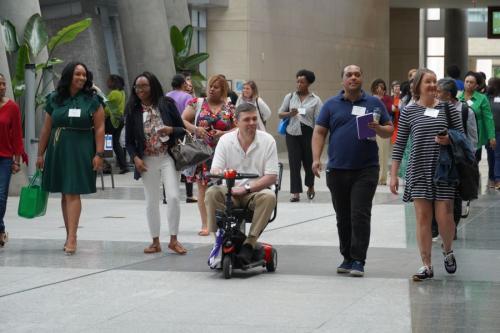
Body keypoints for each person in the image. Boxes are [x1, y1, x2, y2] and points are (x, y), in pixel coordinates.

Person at [312, 65, 393, 277]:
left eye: (357, 74)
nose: (353, 78)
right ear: (343, 80)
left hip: (366, 169)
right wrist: (315, 158)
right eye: (349, 75)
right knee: (343, 216)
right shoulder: (331, 105)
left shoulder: (374, 103)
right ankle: (346, 257)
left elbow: (389, 129)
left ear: (362, 79)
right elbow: (319, 132)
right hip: (337, 169)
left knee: (360, 214)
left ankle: (358, 260)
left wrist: (378, 128)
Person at [391, 68, 461, 281]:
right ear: (418, 86)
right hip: (418, 169)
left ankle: (447, 250)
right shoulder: (409, 111)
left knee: (445, 217)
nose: (432, 85)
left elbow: (462, 138)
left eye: (434, 81)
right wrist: (393, 174)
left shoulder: (449, 110)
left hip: (443, 171)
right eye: (428, 82)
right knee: (422, 218)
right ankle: (426, 265)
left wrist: (450, 139)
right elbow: (400, 143)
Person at [37, 62, 105, 255]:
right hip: (58, 148)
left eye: (84, 75)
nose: (82, 78)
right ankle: (69, 234)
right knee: (65, 193)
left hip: (81, 148)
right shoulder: (54, 99)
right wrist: (40, 154)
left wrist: (99, 154)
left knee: (73, 190)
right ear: (69, 76)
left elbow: (100, 128)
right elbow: (46, 129)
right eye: (78, 74)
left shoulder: (93, 99)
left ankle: (73, 237)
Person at [205, 102, 278, 264]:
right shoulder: (225, 140)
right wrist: (216, 173)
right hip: (230, 190)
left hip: (255, 192)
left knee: (269, 196)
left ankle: (249, 244)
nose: (252, 123)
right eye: (247, 120)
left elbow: (271, 176)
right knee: (212, 192)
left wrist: (246, 189)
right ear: (236, 122)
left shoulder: (268, 141)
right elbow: (216, 169)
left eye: (254, 119)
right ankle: (217, 241)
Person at [125, 71, 187, 255]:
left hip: (167, 157)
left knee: (174, 197)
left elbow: (182, 130)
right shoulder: (133, 110)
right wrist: (135, 158)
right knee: (151, 202)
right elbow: (128, 141)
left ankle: (174, 240)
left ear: (152, 86)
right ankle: (155, 241)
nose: (140, 90)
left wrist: (170, 129)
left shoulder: (166, 104)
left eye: (144, 86)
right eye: (137, 86)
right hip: (146, 161)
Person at [182, 74, 236, 236]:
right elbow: (182, 120)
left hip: (223, 153)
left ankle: (221, 221)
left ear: (223, 90)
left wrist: (224, 133)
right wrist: (195, 129)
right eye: (210, 86)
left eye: (216, 87)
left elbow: (237, 127)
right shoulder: (197, 103)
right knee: (203, 189)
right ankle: (206, 224)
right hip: (202, 153)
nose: (212, 89)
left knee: (222, 189)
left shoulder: (229, 108)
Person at [432, 78, 478, 240]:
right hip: (440, 159)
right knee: (439, 194)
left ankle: (453, 227)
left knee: (456, 196)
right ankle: (437, 226)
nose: (435, 93)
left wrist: (468, 158)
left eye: (439, 91)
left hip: (459, 159)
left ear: (449, 94)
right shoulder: (434, 108)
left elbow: (472, 137)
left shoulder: (465, 111)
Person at [278, 69, 323, 202]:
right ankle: (295, 192)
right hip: (292, 133)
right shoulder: (290, 97)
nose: (298, 84)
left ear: (308, 83)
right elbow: (280, 113)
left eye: (302, 82)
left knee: (309, 162)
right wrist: (289, 114)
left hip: (308, 133)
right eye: (297, 81)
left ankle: (310, 185)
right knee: (294, 163)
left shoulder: (316, 100)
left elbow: (319, 121)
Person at [0, 73, 25, 247]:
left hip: (5, 158)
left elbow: (17, 135)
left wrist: (17, 159)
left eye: (3, 83)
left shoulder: (12, 107)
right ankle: (1, 230)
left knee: (1, 196)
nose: (2, 87)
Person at [458, 71, 496, 182]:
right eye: (467, 81)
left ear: (476, 85)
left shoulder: (482, 98)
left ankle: (471, 183)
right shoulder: (457, 96)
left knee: (474, 160)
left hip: (475, 135)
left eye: (471, 82)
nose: (468, 84)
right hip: (459, 134)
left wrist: (491, 136)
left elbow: (488, 118)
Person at [166, 73, 197, 203]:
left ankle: (166, 196)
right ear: (183, 84)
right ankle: (189, 195)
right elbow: (189, 116)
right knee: (187, 163)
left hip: (168, 133)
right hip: (183, 132)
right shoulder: (188, 97)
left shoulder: (166, 96)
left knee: (168, 164)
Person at [104, 74, 128, 174]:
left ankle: (107, 164)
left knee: (107, 140)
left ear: (113, 82)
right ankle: (123, 165)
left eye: (109, 81)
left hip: (111, 120)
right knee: (115, 142)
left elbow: (108, 109)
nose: (107, 83)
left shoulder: (113, 93)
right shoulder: (122, 93)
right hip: (120, 120)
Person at [371, 78, 393, 185]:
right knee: (375, 153)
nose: (380, 88)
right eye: (377, 86)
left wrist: (380, 99)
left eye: (382, 86)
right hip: (373, 128)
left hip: (384, 128)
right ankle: (375, 175)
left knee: (384, 153)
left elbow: (388, 109)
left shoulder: (387, 99)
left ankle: (382, 178)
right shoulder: (370, 98)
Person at [486, 77, 500, 189]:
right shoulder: (485, 97)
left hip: (498, 131)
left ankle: (497, 179)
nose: (490, 86)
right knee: (490, 155)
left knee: (497, 155)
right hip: (488, 132)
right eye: (489, 84)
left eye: (492, 84)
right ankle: (492, 178)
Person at [390, 80, 401, 145]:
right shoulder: (390, 99)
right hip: (393, 123)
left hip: (401, 123)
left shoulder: (403, 98)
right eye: (396, 86)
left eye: (398, 86)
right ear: (392, 89)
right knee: (395, 143)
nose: (397, 88)